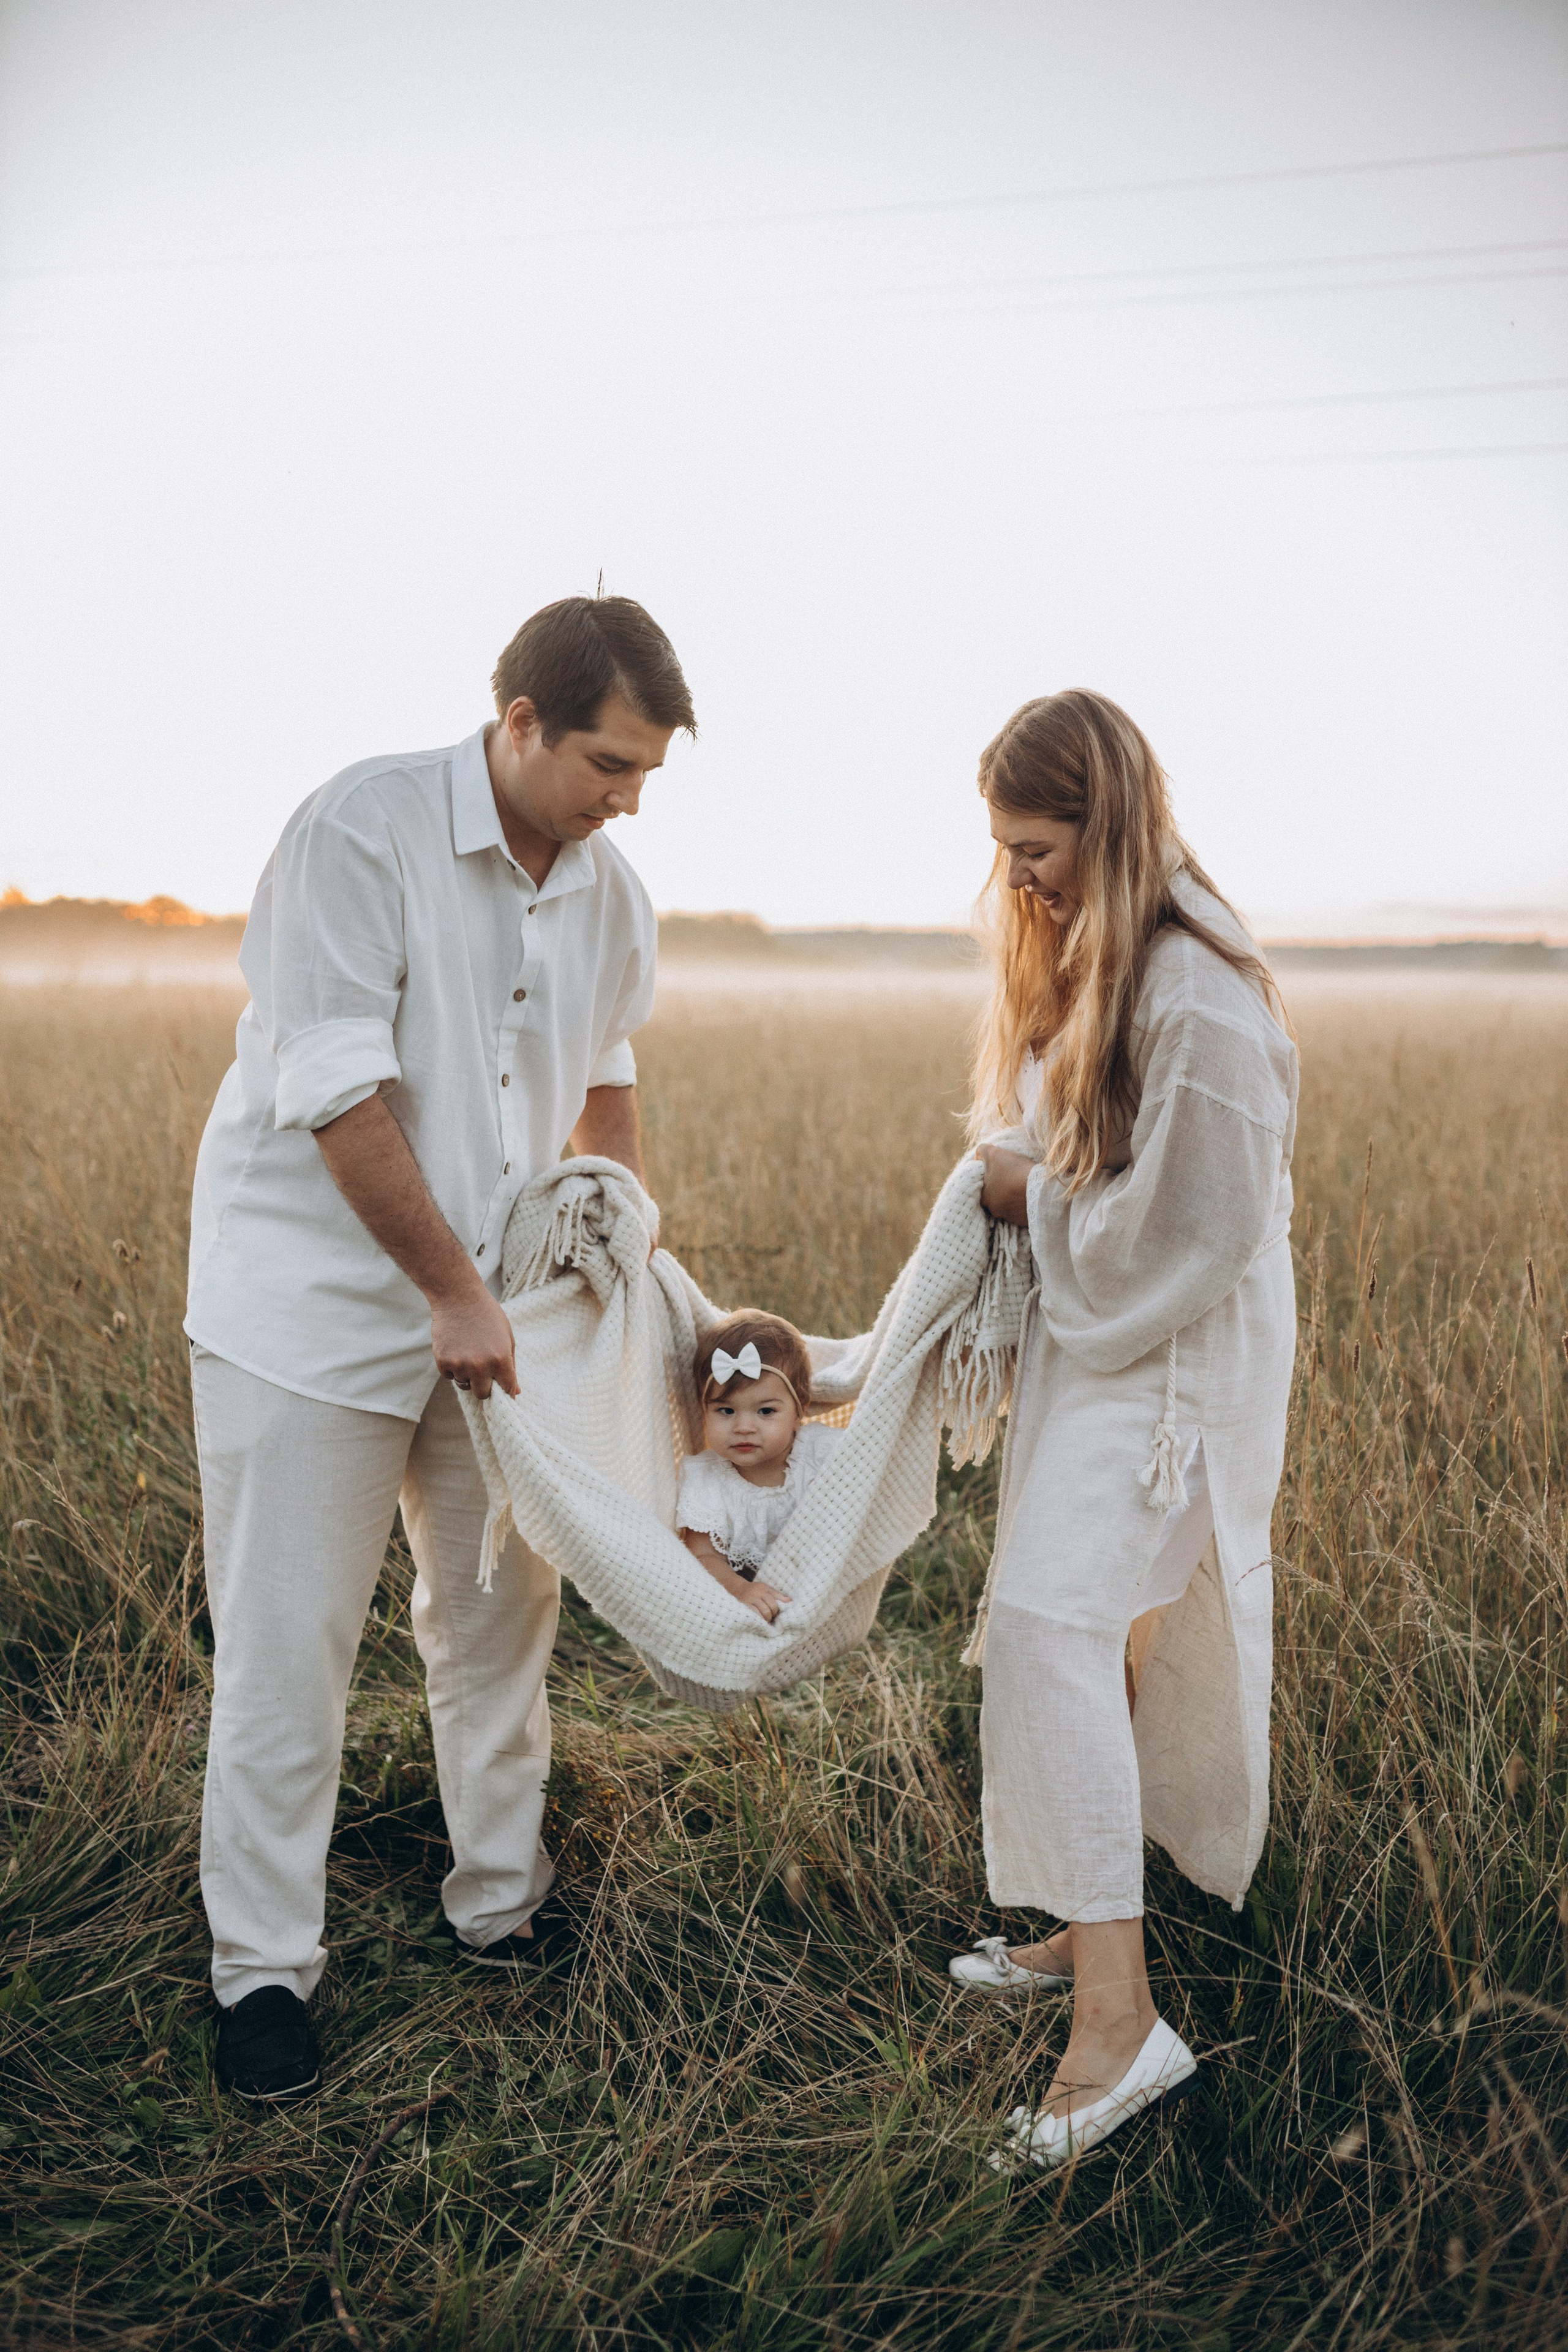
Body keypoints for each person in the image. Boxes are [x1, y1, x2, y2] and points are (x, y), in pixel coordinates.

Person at [185, 594, 695, 2101]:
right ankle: (263, 1971)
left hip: (501, 1332)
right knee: (290, 1648)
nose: (628, 798)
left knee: (495, 1621)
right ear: (520, 721)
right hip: (309, 1317)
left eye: (649, 773)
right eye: (608, 761)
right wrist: (451, 1287)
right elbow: (337, 1088)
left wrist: (613, 1219)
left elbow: (601, 1074)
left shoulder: (612, 891)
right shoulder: (358, 830)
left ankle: (497, 1906)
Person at [947, 690, 1297, 2170]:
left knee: (1045, 1625)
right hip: (1109, 1351)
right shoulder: (1112, 951)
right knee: (1095, 1637)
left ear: (1108, 822)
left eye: (1033, 845)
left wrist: (1032, 1202)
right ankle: (1091, 1930)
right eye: (1002, 848)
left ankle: (1120, 2025)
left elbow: (1200, 1227)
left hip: (1167, 1372)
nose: (1014, 875)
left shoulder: (1198, 991)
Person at [676, 1311, 841, 1624]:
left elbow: (874, 1468)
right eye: (726, 1410)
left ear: (799, 1410)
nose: (744, 1427)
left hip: (819, 1597)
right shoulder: (707, 1479)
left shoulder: (821, 1453)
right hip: (741, 1612)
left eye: (766, 1411)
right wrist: (739, 1589)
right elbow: (703, 1555)